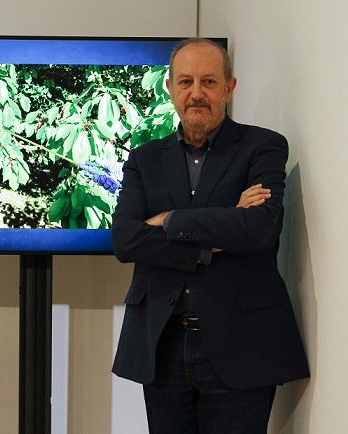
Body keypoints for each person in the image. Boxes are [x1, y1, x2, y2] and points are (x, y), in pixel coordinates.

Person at [111, 38, 309, 433]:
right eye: (185, 82)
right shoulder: (145, 158)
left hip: (243, 344)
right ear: (169, 88)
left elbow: (259, 230)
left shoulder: (263, 147)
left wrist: (168, 220)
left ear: (229, 87)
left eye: (209, 82)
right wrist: (221, 227)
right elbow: (126, 240)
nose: (196, 94)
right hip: (162, 344)